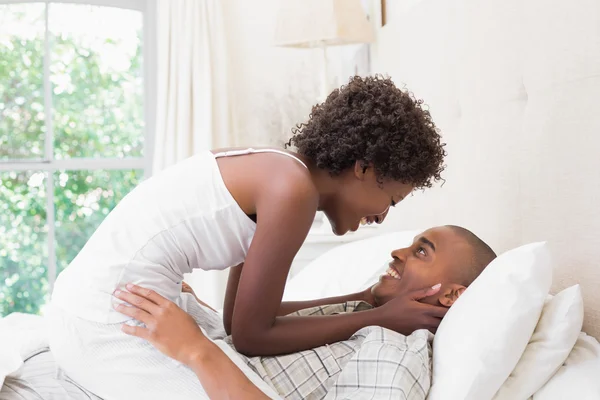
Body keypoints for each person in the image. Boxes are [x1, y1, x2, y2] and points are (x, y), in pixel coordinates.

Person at [47, 75, 447, 399]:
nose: (381, 216)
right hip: (106, 321)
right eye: (390, 199)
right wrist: (380, 318)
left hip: (84, 303)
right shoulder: (293, 194)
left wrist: (359, 300)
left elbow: (238, 320)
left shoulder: (277, 172)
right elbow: (253, 338)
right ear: (363, 168)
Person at [112, 225, 497, 400]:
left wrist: (196, 350)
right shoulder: (369, 313)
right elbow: (252, 330)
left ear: (450, 296)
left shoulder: (396, 353)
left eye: (421, 252)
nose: (397, 253)